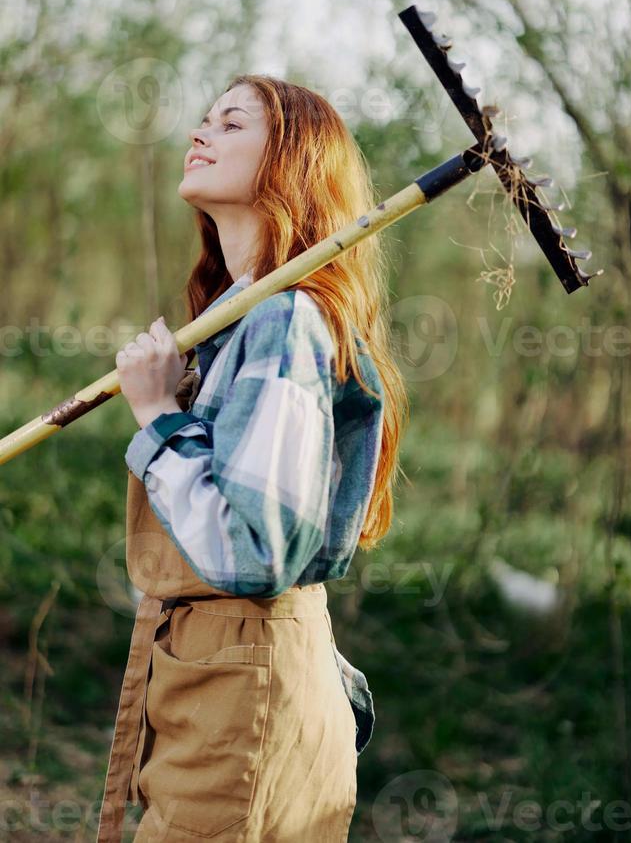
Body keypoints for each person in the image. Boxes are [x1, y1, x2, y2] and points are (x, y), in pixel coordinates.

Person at [100, 75, 409, 842]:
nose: (200, 132)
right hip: (208, 672)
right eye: (203, 118)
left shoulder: (286, 320)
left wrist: (156, 414)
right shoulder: (237, 318)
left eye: (231, 123)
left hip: (248, 678)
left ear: (290, 162)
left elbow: (253, 549)